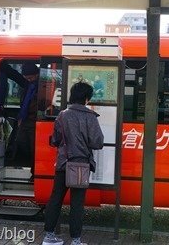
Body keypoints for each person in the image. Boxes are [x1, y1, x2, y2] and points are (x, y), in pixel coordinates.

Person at [42, 82, 104, 245]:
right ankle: (76, 240)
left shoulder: (62, 115)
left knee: (56, 198)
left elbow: (55, 139)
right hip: (80, 165)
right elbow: (98, 142)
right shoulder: (90, 117)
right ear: (86, 98)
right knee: (77, 203)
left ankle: (49, 237)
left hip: (63, 163)